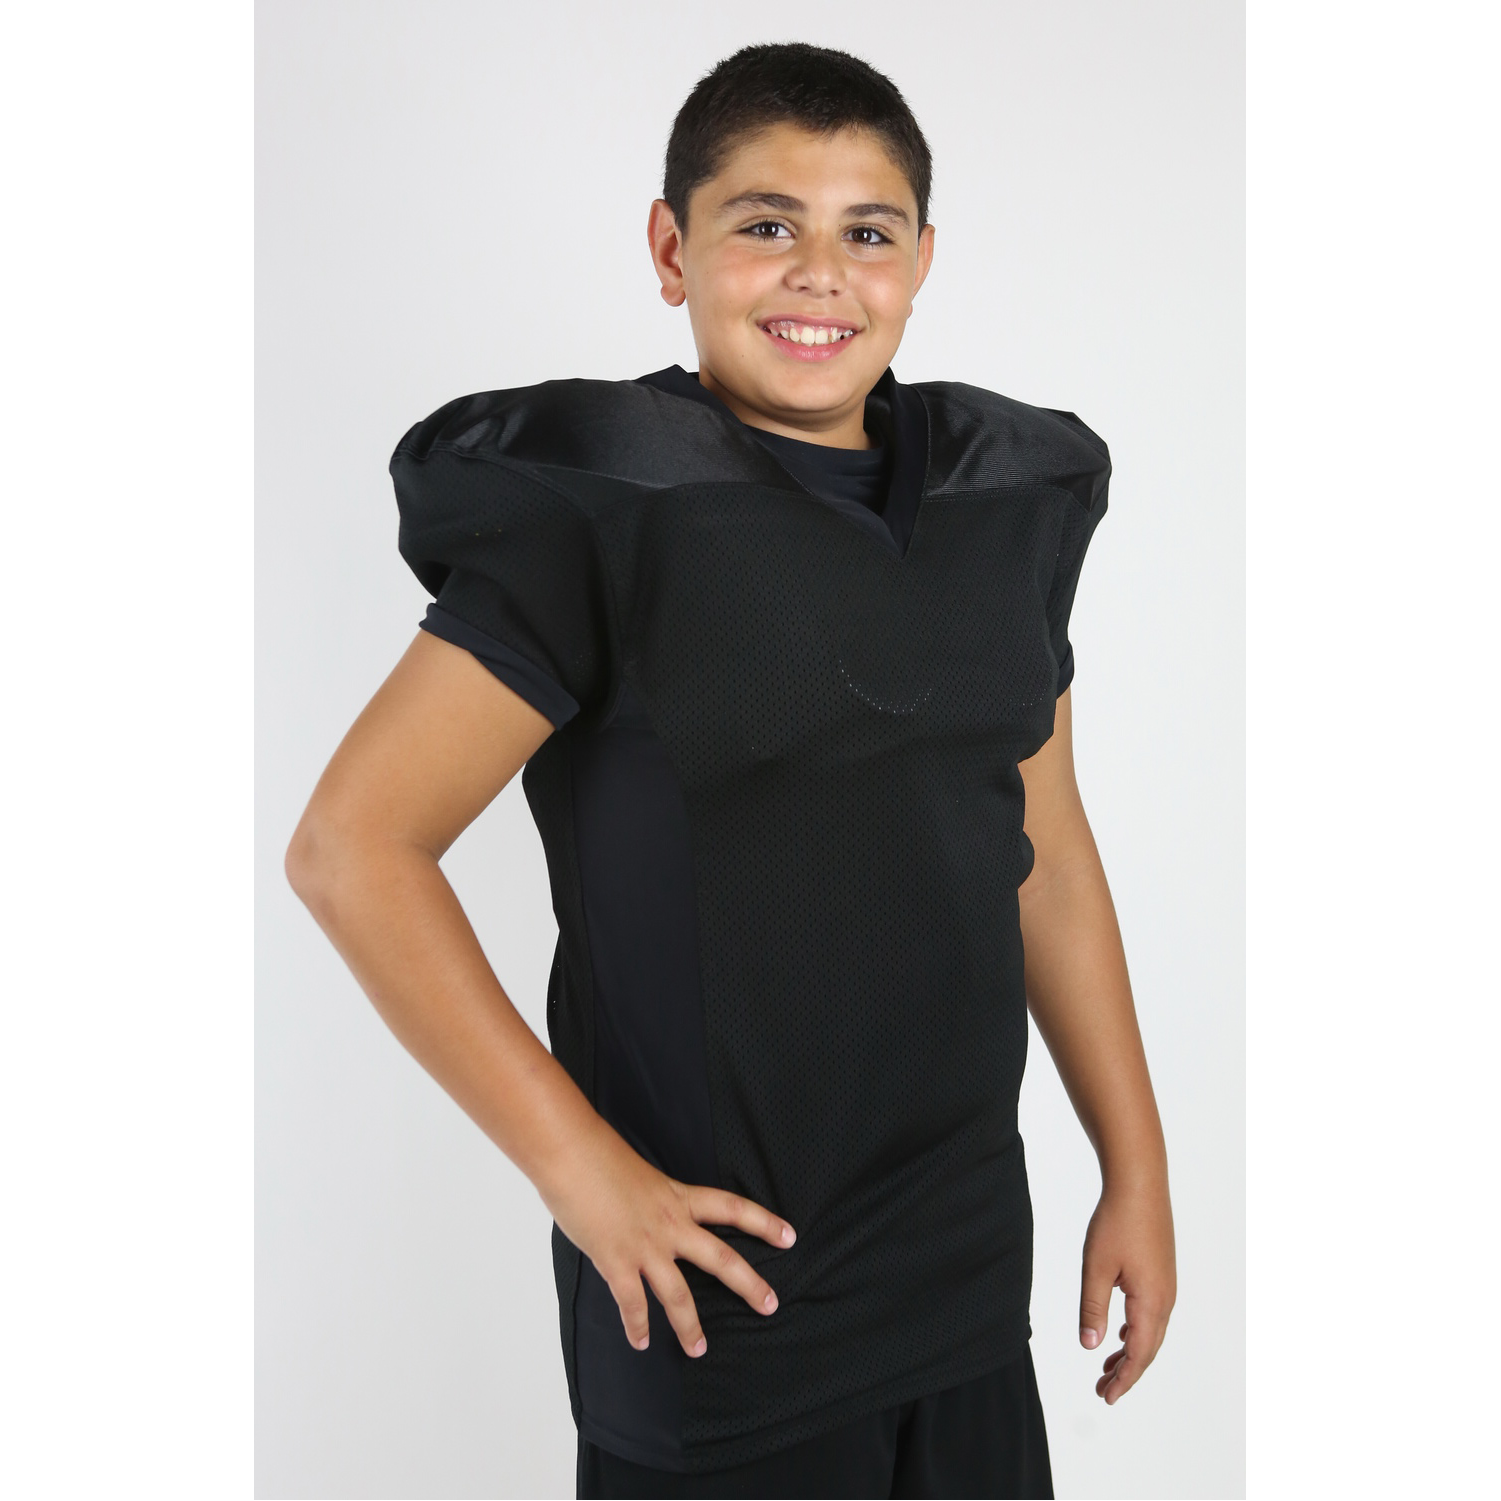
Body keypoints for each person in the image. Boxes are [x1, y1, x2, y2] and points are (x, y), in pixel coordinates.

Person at [286, 41, 1176, 1500]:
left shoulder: (1004, 499)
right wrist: (584, 1177)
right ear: (671, 248)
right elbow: (354, 847)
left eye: (867, 233)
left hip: (959, 1272)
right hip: (718, 1304)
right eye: (767, 224)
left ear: (922, 261)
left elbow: (1048, 850)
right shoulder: (606, 504)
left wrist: (1133, 1165)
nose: (820, 274)